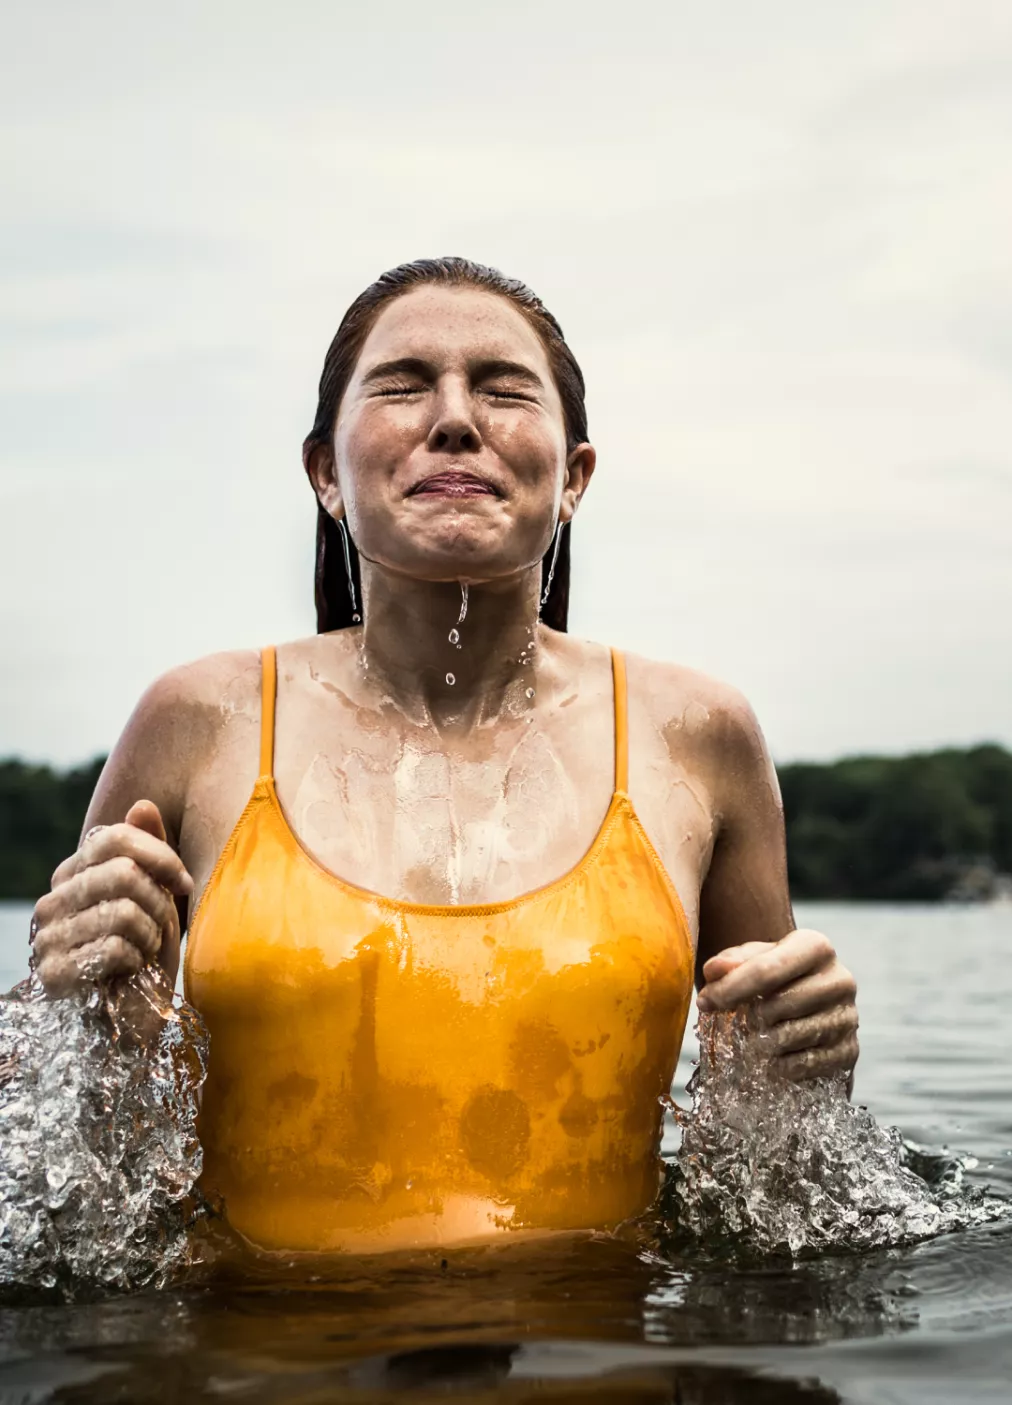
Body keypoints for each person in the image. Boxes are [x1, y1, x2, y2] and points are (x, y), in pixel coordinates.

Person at [30, 258, 858, 1255]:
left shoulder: (698, 735)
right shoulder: (196, 719)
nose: (456, 417)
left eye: (504, 388)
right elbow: (56, 1141)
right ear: (326, 473)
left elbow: (775, 1186)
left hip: (600, 1360)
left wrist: (810, 1061)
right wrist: (67, 993)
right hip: (249, 1365)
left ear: (574, 478)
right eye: (405, 383)